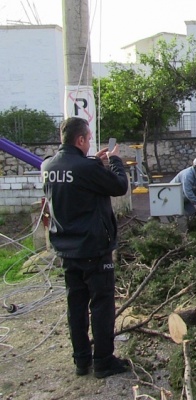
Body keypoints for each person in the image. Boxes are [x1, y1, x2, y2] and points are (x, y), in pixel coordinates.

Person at [41, 117, 130, 379]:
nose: (90, 142)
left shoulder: (48, 165)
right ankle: (103, 361)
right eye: (89, 138)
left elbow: (76, 182)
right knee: (102, 306)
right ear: (80, 140)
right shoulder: (86, 169)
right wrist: (114, 161)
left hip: (66, 249)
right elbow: (119, 186)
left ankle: (81, 360)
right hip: (93, 249)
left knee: (76, 306)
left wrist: (94, 163)